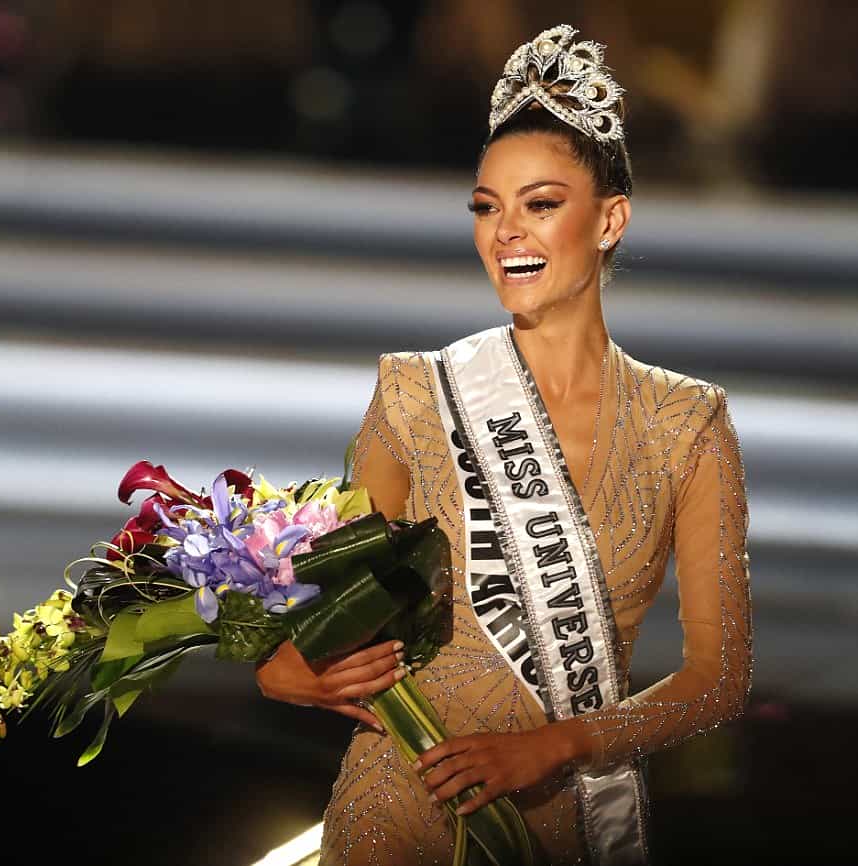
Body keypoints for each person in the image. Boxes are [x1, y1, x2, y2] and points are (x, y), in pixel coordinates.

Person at [255, 24, 752, 866]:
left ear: (610, 219)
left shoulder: (689, 423)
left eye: (541, 204)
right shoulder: (417, 392)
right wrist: (282, 665)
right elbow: (336, 603)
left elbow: (720, 679)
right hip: (397, 807)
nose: (506, 232)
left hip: (566, 817)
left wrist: (553, 746)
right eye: (487, 208)